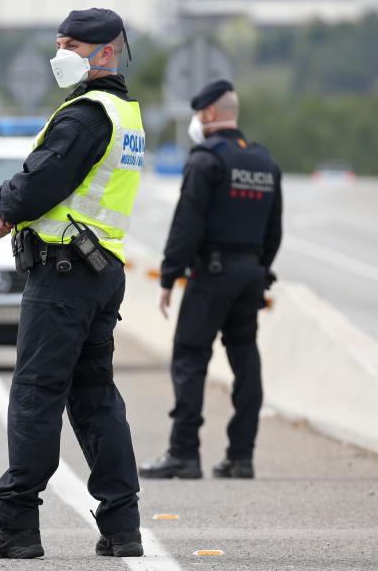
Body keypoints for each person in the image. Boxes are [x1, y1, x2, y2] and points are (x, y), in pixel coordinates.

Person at [0, 8, 145, 559]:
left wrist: (3, 205)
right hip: (101, 275)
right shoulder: (125, 116)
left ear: (106, 52)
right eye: (59, 43)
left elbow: (40, 179)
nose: (61, 54)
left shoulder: (86, 116)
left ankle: (18, 525)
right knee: (95, 396)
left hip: (65, 275)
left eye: (72, 44)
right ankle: (123, 527)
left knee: (35, 395)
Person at [138, 79, 282, 480]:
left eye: (198, 115)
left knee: (189, 356)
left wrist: (169, 277)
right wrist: (258, 268)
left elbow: (187, 225)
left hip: (213, 273)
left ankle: (184, 453)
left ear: (210, 114)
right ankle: (241, 456)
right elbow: (275, 230)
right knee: (245, 357)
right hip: (251, 273)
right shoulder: (264, 162)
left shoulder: (206, 160)